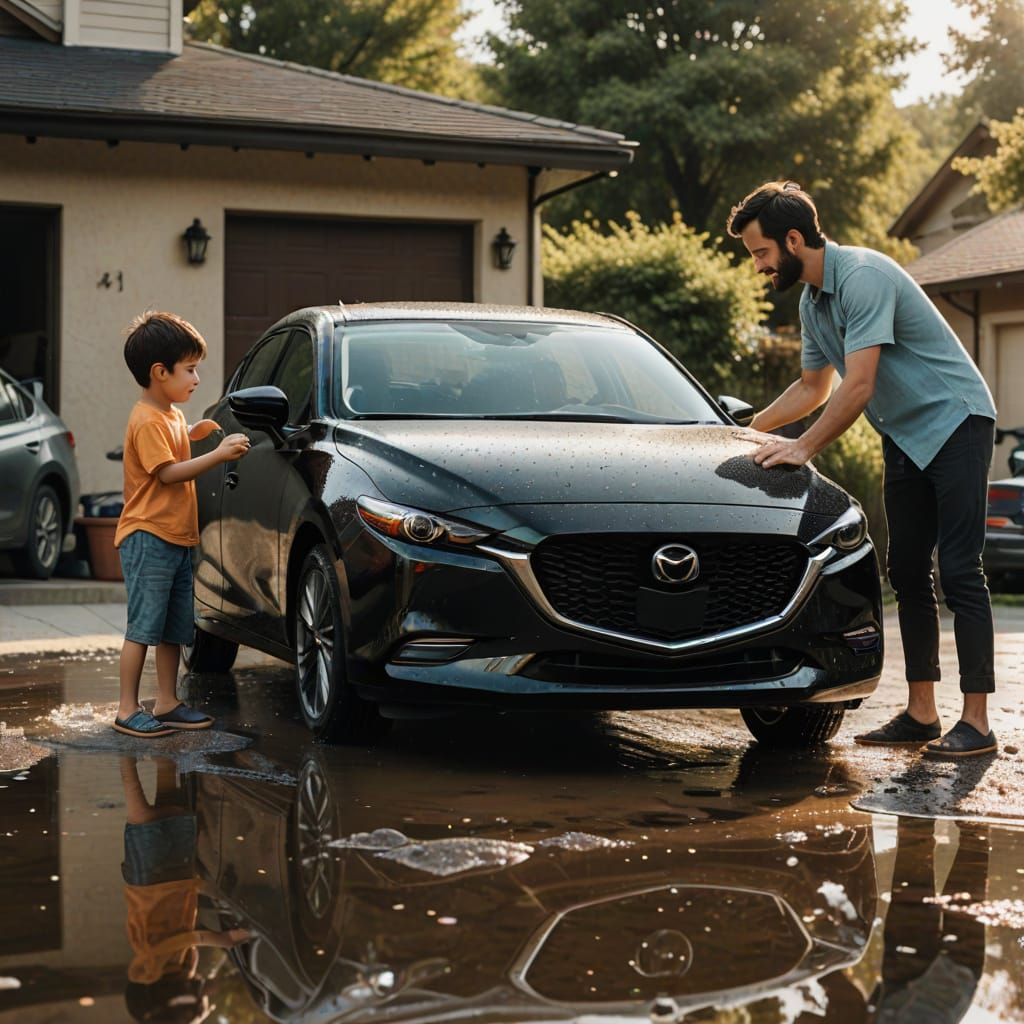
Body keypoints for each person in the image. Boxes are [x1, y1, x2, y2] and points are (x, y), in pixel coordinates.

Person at [726, 181, 998, 758]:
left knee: (959, 569)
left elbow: (860, 384)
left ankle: (976, 722)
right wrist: (747, 432)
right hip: (905, 435)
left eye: (761, 252)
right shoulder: (813, 302)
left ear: (793, 239)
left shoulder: (865, 277)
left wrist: (803, 449)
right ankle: (923, 713)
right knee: (905, 570)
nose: (759, 266)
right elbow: (811, 387)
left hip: (957, 422)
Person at [112, 311, 250, 738]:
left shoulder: (169, 414)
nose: (196, 377)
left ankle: (167, 701)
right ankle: (127, 708)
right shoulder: (147, 418)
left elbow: (174, 445)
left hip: (174, 537)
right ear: (160, 372)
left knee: (174, 627)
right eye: (189, 368)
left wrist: (194, 432)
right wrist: (217, 454)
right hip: (148, 536)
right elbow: (168, 473)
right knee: (143, 628)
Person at [120, 755, 251, 1023]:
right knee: (169, 794)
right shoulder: (180, 966)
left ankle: (126, 746)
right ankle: (161, 738)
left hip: (150, 880)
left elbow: (186, 938)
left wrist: (221, 939)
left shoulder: (149, 968)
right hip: (175, 880)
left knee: (140, 806)